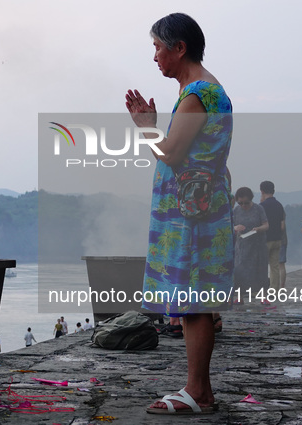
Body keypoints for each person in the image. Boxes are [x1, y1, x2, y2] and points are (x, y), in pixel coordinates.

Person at [126, 12, 233, 415]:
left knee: (192, 301)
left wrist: (146, 126)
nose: (155, 57)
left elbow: (171, 153)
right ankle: (199, 390)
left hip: (192, 217)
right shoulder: (201, 91)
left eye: (158, 47)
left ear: (179, 47)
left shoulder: (198, 94)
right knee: (192, 299)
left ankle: (195, 391)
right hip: (199, 208)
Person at [233, 187, 269, 302]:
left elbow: (266, 225)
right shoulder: (236, 211)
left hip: (258, 245)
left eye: (246, 203)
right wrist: (236, 228)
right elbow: (230, 226)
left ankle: (263, 296)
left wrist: (258, 229)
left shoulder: (258, 209)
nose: (243, 205)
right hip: (242, 246)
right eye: (240, 203)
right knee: (239, 271)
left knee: (260, 270)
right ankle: (240, 296)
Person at [259, 181, 285, 294]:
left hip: (266, 240)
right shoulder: (279, 205)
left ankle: (263, 289)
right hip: (277, 239)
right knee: (274, 266)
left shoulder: (262, 206)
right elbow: (282, 226)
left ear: (262, 191)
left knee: (263, 266)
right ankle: (274, 289)